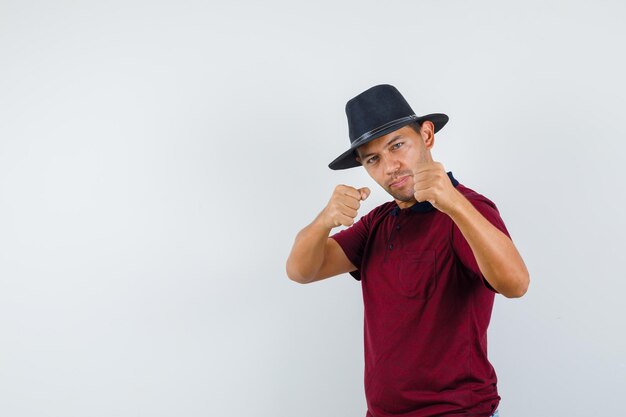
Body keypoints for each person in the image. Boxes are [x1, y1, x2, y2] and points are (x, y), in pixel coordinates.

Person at [286, 84, 529, 417]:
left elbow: (516, 284)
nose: (390, 166)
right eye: (373, 159)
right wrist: (323, 222)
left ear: (427, 135)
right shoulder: (377, 223)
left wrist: (453, 203)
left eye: (397, 145)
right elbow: (302, 271)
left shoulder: (470, 210)